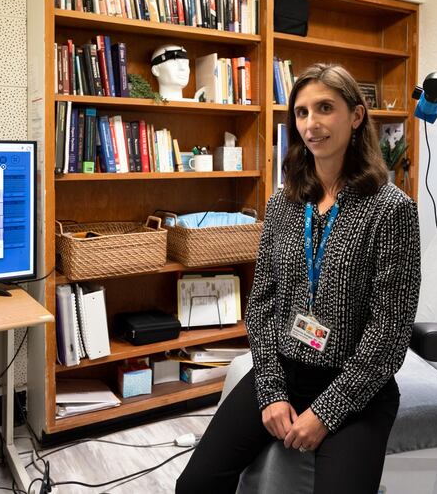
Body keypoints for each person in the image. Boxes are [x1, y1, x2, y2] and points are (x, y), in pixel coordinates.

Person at [176, 63, 421, 494]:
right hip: (286, 370)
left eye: (325, 108)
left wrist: (327, 412)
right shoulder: (284, 201)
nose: (312, 124)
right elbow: (262, 305)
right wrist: (270, 391)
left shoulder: (391, 209)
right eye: (302, 113)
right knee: (195, 485)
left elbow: (390, 331)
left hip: (358, 386)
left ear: (356, 116)